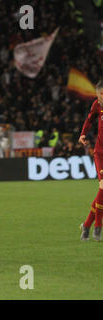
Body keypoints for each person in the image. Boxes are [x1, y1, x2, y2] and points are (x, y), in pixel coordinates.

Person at [78, 80, 103, 241]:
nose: (101, 97)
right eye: (100, 94)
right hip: (100, 154)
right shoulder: (97, 105)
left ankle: (87, 225)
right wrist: (83, 134)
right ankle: (97, 228)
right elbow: (89, 120)